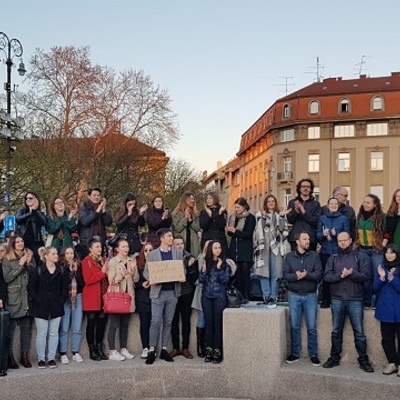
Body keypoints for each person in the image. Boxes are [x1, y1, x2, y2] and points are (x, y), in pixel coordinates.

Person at [323, 231, 374, 372]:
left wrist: (352, 273)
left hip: (355, 300)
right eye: (340, 241)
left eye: (345, 240)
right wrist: (341, 275)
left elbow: (366, 276)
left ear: (350, 240)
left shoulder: (360, 256)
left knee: (359, 333)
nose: (343, 243)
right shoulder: (333, 258)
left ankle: (363, 359)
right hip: (337, 299)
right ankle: (334, 358)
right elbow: (326, 277)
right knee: (335, 331)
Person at [143, 228, 184, 365]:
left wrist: (181, 275)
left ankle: (164, 349)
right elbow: (146, 272)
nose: (171, 238)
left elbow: (181, 269)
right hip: (158, 293)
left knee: (168, 322)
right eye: (169, 236)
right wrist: (151, 278)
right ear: (162, 239)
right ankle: (152, 350)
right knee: (155, 322)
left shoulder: (178, 253)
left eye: (171, 235)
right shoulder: (153, 254)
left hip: (173, 292)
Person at [283, 232, 322, 366]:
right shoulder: (289, 257)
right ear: (297, 241)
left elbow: (318, 274)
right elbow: (286, 275)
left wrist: (306, 275)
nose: (308, 241)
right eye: (305, 239)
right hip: (294, 295)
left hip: (310, 295)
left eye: (309, 238)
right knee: (294, 326)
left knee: (311, 327)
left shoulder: (314, 256)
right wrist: (296, 277)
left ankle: (313, 354)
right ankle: (295, 353)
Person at [28, 247, 69, 369]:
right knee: (42, 333)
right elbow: (31, 287)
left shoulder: (61, 270)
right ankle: (41, 358)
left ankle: (51, 358)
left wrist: (61, 299)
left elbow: (64, 287)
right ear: (46, 256)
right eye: (53, 253)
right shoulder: (39, 270)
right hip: (41, 305)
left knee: (53, 333)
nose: (56, 255)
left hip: (56, 305)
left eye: (56, 253)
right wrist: (37, 298)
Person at [2, 235, 36, 369]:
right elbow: (7, 278)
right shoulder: (7, 259)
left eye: (22, 241)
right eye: (17, 242)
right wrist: (20, 265)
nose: (20, 243)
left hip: (27, 298)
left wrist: (28, 264)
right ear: (12, 244)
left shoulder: (30, 256)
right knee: (10, 330)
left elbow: (34, 275)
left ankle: (25, 355)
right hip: (14, 298)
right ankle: (9, 357)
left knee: (26, 328)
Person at [253, 194, 291, 308]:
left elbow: (283, 231)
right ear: (265, 203)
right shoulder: (259, 215)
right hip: (263, 248)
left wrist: (282, 218)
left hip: (277, 248)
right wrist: (264, 218)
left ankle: (273, 297)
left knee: (276, 273)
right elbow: (259, 230)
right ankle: (266, 296)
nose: (270, 203)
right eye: (268, 201)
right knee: (264, 273)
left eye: (272, 201)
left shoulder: (279, 216)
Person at [106, 238, 139, 361]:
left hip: (128, 297)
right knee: (114, 324)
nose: (126, 249)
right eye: (123, 246)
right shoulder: (113, 262)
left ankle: (123, 348)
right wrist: (123, 274)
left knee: (125, 324)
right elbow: (111, 281)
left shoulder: (131, 260)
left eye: (127, 246)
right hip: (117, 296)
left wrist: (133, 270)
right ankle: (112, 351)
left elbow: (136, 279)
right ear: (117, 249)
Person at [199, 240, 231, 363]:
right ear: (210, 250)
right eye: (215, 248)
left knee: (218, 323)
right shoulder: (205, 263)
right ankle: (209, 349)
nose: (217, 250)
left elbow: (225, 281)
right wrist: (203, 271)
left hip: (219, 296)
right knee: (209, 323)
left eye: (219, 247)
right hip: (206, 295)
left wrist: (218, 269)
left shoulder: (225, 264)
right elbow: (201, 280)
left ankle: (217, 350)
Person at [317, 197, 350, 308]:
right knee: (326, 276)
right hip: (325, 252)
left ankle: (338, 298)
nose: (334, 205)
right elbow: (318, 235)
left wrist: (337, 234)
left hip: (339, 251)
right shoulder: (322, 218)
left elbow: (348, 234)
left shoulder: (344, 218)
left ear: (338, 206)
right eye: (331, 203)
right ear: (327, 205)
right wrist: (324, 234)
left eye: (336, 204)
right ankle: (325, 299)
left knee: (339, 275)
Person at [169, 235, 198, 359]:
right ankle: (176, 348)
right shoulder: (169, 257)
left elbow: (194, 276)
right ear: (172, 245)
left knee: (186, 321)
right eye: (177, 244)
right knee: (173, 321)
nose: (180, 246)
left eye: (182, 243)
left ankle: (185, 348)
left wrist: (189, 268)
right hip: (173, 293)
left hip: (186, 292)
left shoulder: (190, 257)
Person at [373, 244, 400, 375]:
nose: (389, 255)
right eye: (387, 253)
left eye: (392, 253)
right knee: (387, 339)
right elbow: (375, 288)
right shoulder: (381, 267)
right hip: (385, 309)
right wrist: (382, 277)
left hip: (398, 308)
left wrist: (392, 278)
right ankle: (392, 363)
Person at [81, 238, 109, 361]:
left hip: (103, 295)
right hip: (91, 296)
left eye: (100, 246)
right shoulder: (86, 261)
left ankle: (99, 346)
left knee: (102, 322)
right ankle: (92, 349)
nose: (100, 249)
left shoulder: (104, 260)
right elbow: (88, 280)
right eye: (97, 247)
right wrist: (102, 273)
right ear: (90, 248)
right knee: (91, 323)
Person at [356, 193, 385, 308]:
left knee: (378, 275)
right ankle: (367, 302)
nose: (365, 204)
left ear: (375, 205)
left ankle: (378, 301)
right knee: (366, 276)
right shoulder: (360, 216)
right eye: (364, 202)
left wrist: (382, 244)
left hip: (376, 250)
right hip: (362, 250)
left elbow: (386, 232)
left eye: (368, 202)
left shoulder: (381, 217)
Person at [226, 197, 256, 304]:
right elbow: (230, 234)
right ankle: (237, 295)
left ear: (244, 207)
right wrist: (230, 230)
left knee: (245, 272)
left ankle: (246, 295)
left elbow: (248, 234)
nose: (236, 209)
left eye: (238, 207)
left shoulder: (250, 218)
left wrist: (235, 231)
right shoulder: (233, 217)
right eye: (235, 207)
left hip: (245, 249)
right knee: (236, 273)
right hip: (235, 248)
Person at [58, 246, 85, 364]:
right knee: (64, 327)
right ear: (63, 255)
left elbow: (82, 283)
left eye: (72, 253)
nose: (70, 256)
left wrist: (75, 272)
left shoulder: (79, 266)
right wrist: (69, 272)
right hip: (65, 298)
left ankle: (75, 351)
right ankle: (63, 353)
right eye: (67, 253)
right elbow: (62, 283)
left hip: (77, 296)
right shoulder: (60, 267)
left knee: (77, 326)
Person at [287, 179, 321, 251]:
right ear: (299, 189)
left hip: (310, 239)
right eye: (303, 186)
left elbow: (316, 221)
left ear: (311, 189)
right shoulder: (292, 202)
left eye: (308, 187)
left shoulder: (316, 204)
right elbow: (290, 220)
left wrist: (303, 211)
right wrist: (296, 211)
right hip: (295, 238)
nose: (305, 188)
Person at [78, 188, 112, 259]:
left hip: (100, 241)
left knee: (99, 263)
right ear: (89, 196)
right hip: (87, 242)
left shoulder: (102, 208)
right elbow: (85, 221)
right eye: (94, 195)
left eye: (98, 195)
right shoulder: (83, 208)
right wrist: (97, 211)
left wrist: (104, 211)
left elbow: (108, 223)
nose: (96, 197)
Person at [15, 191, 46, 264]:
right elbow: (18, 219)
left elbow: (43, 222)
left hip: (36, 242)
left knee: (38, 262)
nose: (28, 199)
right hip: (23, 242)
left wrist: (35, 211)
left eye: (30, 198)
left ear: (36, 199)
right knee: (25, 262)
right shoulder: (22, 210)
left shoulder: (40, 213)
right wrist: (30, 213)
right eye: (26, 198)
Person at [135, 242, 153, 359]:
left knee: (154, 324)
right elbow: (135, 282)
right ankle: (145, 347)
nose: (148, 253)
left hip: (155, 298)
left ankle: (152, 347)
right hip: (142, 297)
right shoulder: (138, 265)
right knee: (145, 324)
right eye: (146, 250)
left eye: (151, 250)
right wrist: (142, 284)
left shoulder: (158, 264)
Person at [172, 192, 201, 258]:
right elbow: (178, 228)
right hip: (181, 242)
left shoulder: (196, 214)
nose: (192, 201)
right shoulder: (176, 213)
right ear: (184, 200)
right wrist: (185, 218)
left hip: (193, 244)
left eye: (193, 199)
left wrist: (190, 220)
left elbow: (198, 228)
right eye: (190, 199)